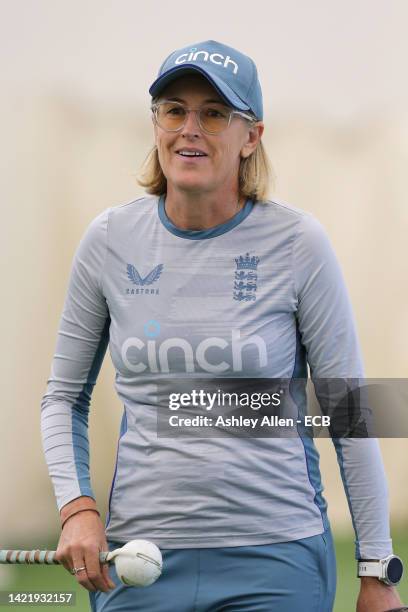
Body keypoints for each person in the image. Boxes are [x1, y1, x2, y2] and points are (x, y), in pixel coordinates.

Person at [40, 40, 404, 612]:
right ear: (156, 123)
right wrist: (77, 508)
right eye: (174, 110)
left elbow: (347, 410)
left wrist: (378, 572)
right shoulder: (109, 240)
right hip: (139, 561)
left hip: (277, 559)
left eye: (213, 114)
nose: (190, 128)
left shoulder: (298, 244)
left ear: (251, 137)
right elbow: (63, 397)